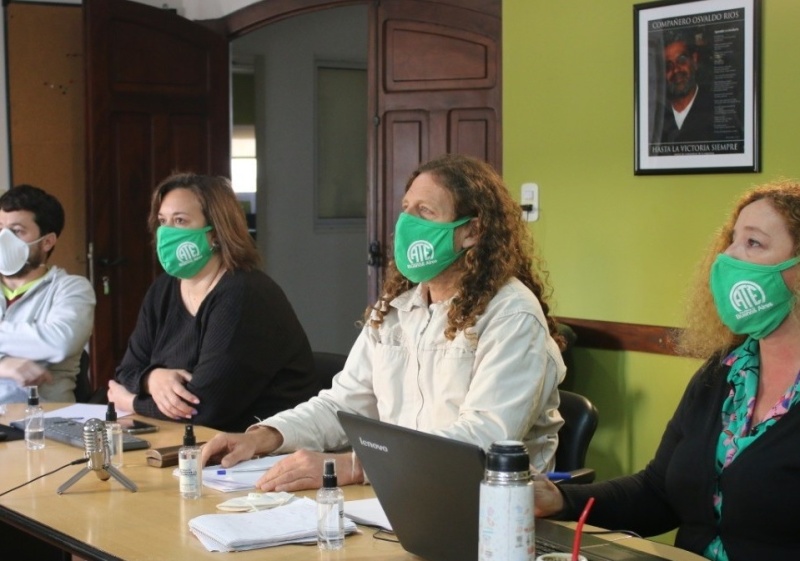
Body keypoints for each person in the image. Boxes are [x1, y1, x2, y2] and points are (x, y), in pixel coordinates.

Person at [201, 153, 567, 491]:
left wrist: (355, 467)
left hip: (489, 505)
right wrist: (263, 437)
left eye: (425, 212)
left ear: (472, 231)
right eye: (406, 209)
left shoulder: (512, 315)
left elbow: (484, 438)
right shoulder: (396, 307)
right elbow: (344, 404)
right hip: (400, 493)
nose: (407, 224)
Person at [534, 180, 800, 560]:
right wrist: (559, 498)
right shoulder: (723, 372)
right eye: (732, 240)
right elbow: (658, 493)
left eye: (753, 243)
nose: (727, 256)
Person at [107, 173, 319, 432]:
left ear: (216, 232)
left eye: (180, 221)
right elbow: (126, 371)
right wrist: (152, 379)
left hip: (261, 445)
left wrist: (131, 402)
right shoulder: (163, 289)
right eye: (163, 221)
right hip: (187, 439)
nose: (167, 232)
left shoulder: (243, 295)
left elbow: (204, 410)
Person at [0, 184, 95, 404]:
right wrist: (4, 365)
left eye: (16, 231)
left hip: (43, 416)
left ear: (47, 242)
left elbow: (60, 342)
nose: (3, 238)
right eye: (0, 228)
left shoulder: (71, 288)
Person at [650, 31, 742, 146]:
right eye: (668, 66)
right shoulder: (655, 116)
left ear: (694, 60)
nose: (676, 70)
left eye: (681, 60)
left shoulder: (722, 113)